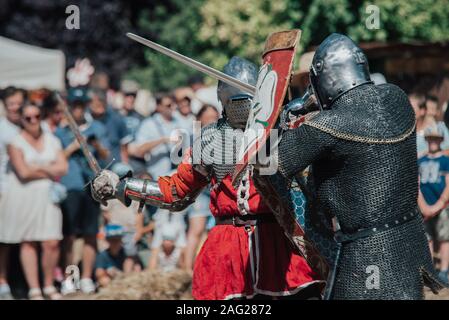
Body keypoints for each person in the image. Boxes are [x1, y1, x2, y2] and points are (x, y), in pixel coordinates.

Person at [91, 57, 323, 300]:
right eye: (239, 102)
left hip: (276, 244)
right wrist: (123, 186)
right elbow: (177, 192)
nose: (244, 108)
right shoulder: (210, 139)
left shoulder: (280, 132)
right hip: (228, 249)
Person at [271, 33, 444, 299]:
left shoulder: (326, 126)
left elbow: (272, 164)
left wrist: (284, 120)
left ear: (323, 79)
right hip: (408, 240)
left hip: (365, 250)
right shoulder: (397, 101)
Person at [0, 103, 68, 299]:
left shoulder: (52, 140)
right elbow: (23, 172)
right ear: (21, 119)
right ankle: (34, 288)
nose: (33, 121)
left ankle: (48, 285)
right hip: (23, 195)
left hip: (47, 196)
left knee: (52, 241)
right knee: (28, 242)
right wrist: (48, 168)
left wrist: (37, 168)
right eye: (28, 117)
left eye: (36, 116)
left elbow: (62, 168)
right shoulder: (15, 141)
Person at [55, 88, 110, 295]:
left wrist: (94, 144)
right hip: (71, 187)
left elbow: (105, 157)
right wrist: (73, 146)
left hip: (91, 186)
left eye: (81, 105)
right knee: (69, 235)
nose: (78, 110)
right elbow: (56, 157)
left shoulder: (96, 127)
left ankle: (86, 277)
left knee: (90, 234)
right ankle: (69, 278)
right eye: (74, 106)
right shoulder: (61, 131)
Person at [183, 105, 219, 271]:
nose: (212, 120)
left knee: (208, 233)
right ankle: (187, 270)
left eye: (215, 116)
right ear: (200, 119)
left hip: (213, 190)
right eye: (209, 117)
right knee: (196, 230)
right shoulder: (194, 137)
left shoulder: (221, 136)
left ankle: (202, 269)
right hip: (199, 192)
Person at [0, 86, 24, 299]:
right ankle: (3, 281)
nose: (16, 108)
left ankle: (17, 281)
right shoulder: (2, 130)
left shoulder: (26, 127)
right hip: (5, 189)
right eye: (12, 104)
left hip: (24, 190)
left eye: (19, 103)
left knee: (23, 238)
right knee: (5, 240)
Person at [418, 126, 449, 284]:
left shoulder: (445, 161)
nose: (433, 141)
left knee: (444, 239)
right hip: (424, 207)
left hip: (442, 207)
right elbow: (416, 184)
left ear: (441, 140)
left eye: (436, 138)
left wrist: (439, 204)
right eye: (430, 138)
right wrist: (424, 207)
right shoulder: (420, 161)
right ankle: (430, 272)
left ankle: (444, 270)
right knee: (427, 239)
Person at [129, 93, 183, 179]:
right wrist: (163, 140)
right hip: (155, 175)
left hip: (175, 174)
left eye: (174, 104)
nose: (173, 107)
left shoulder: (178, 122)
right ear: (159, 107)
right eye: (168, 105)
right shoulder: (148, 124)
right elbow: (139, 150)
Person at [88, 88, 131, 165]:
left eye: (103, 100)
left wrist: (125, 164)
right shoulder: (84, 120)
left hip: (113, 165)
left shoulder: (116, 119)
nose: (101, 104)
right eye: (98, 101)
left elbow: (124, 146)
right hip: (89, 167)